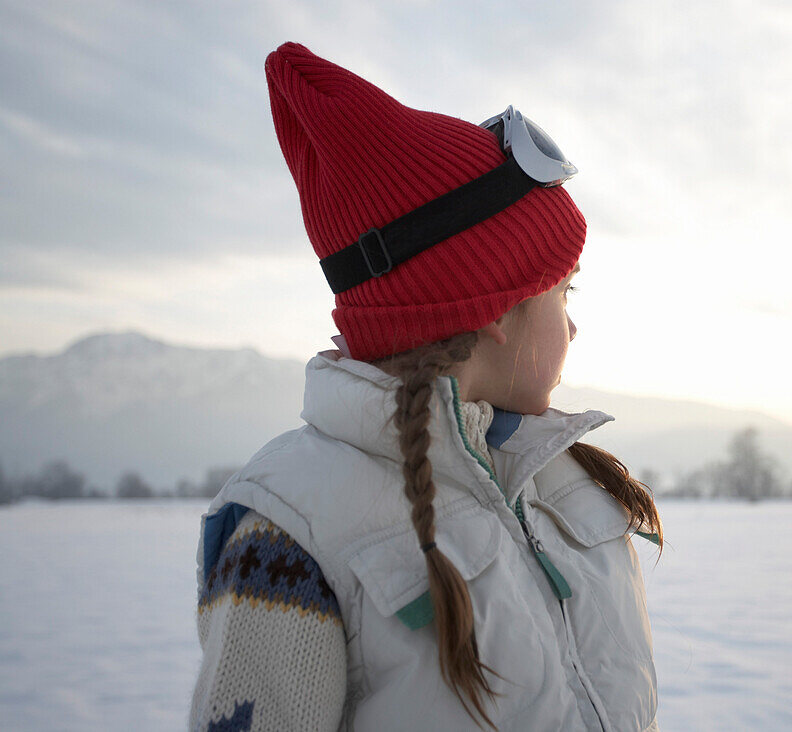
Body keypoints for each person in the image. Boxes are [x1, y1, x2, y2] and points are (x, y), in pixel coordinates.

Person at [190, 42, 663, 732]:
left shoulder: (561, 478)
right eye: (565, 293)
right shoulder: (288, 531)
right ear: (498, 309)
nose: (575, 324)